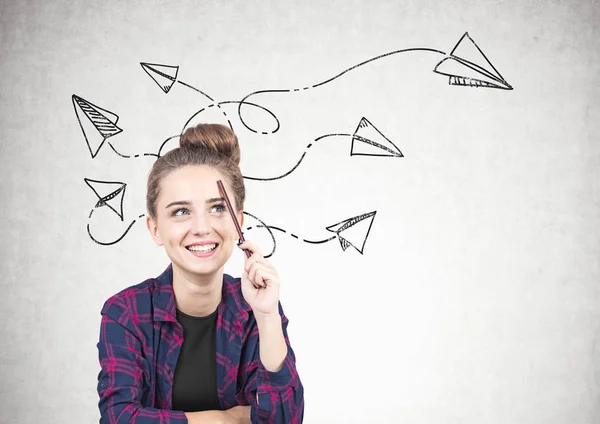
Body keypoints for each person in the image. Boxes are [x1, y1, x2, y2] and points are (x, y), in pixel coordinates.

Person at [96, 123, 304, 424]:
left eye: (218, 208)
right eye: (181, 211)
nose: (202, 227)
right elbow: (119, 418)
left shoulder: (255, 309)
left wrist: (268, 317)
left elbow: (284, 420)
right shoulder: (125, 312)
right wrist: (229, 419)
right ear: (155, 229)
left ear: (238, 222)